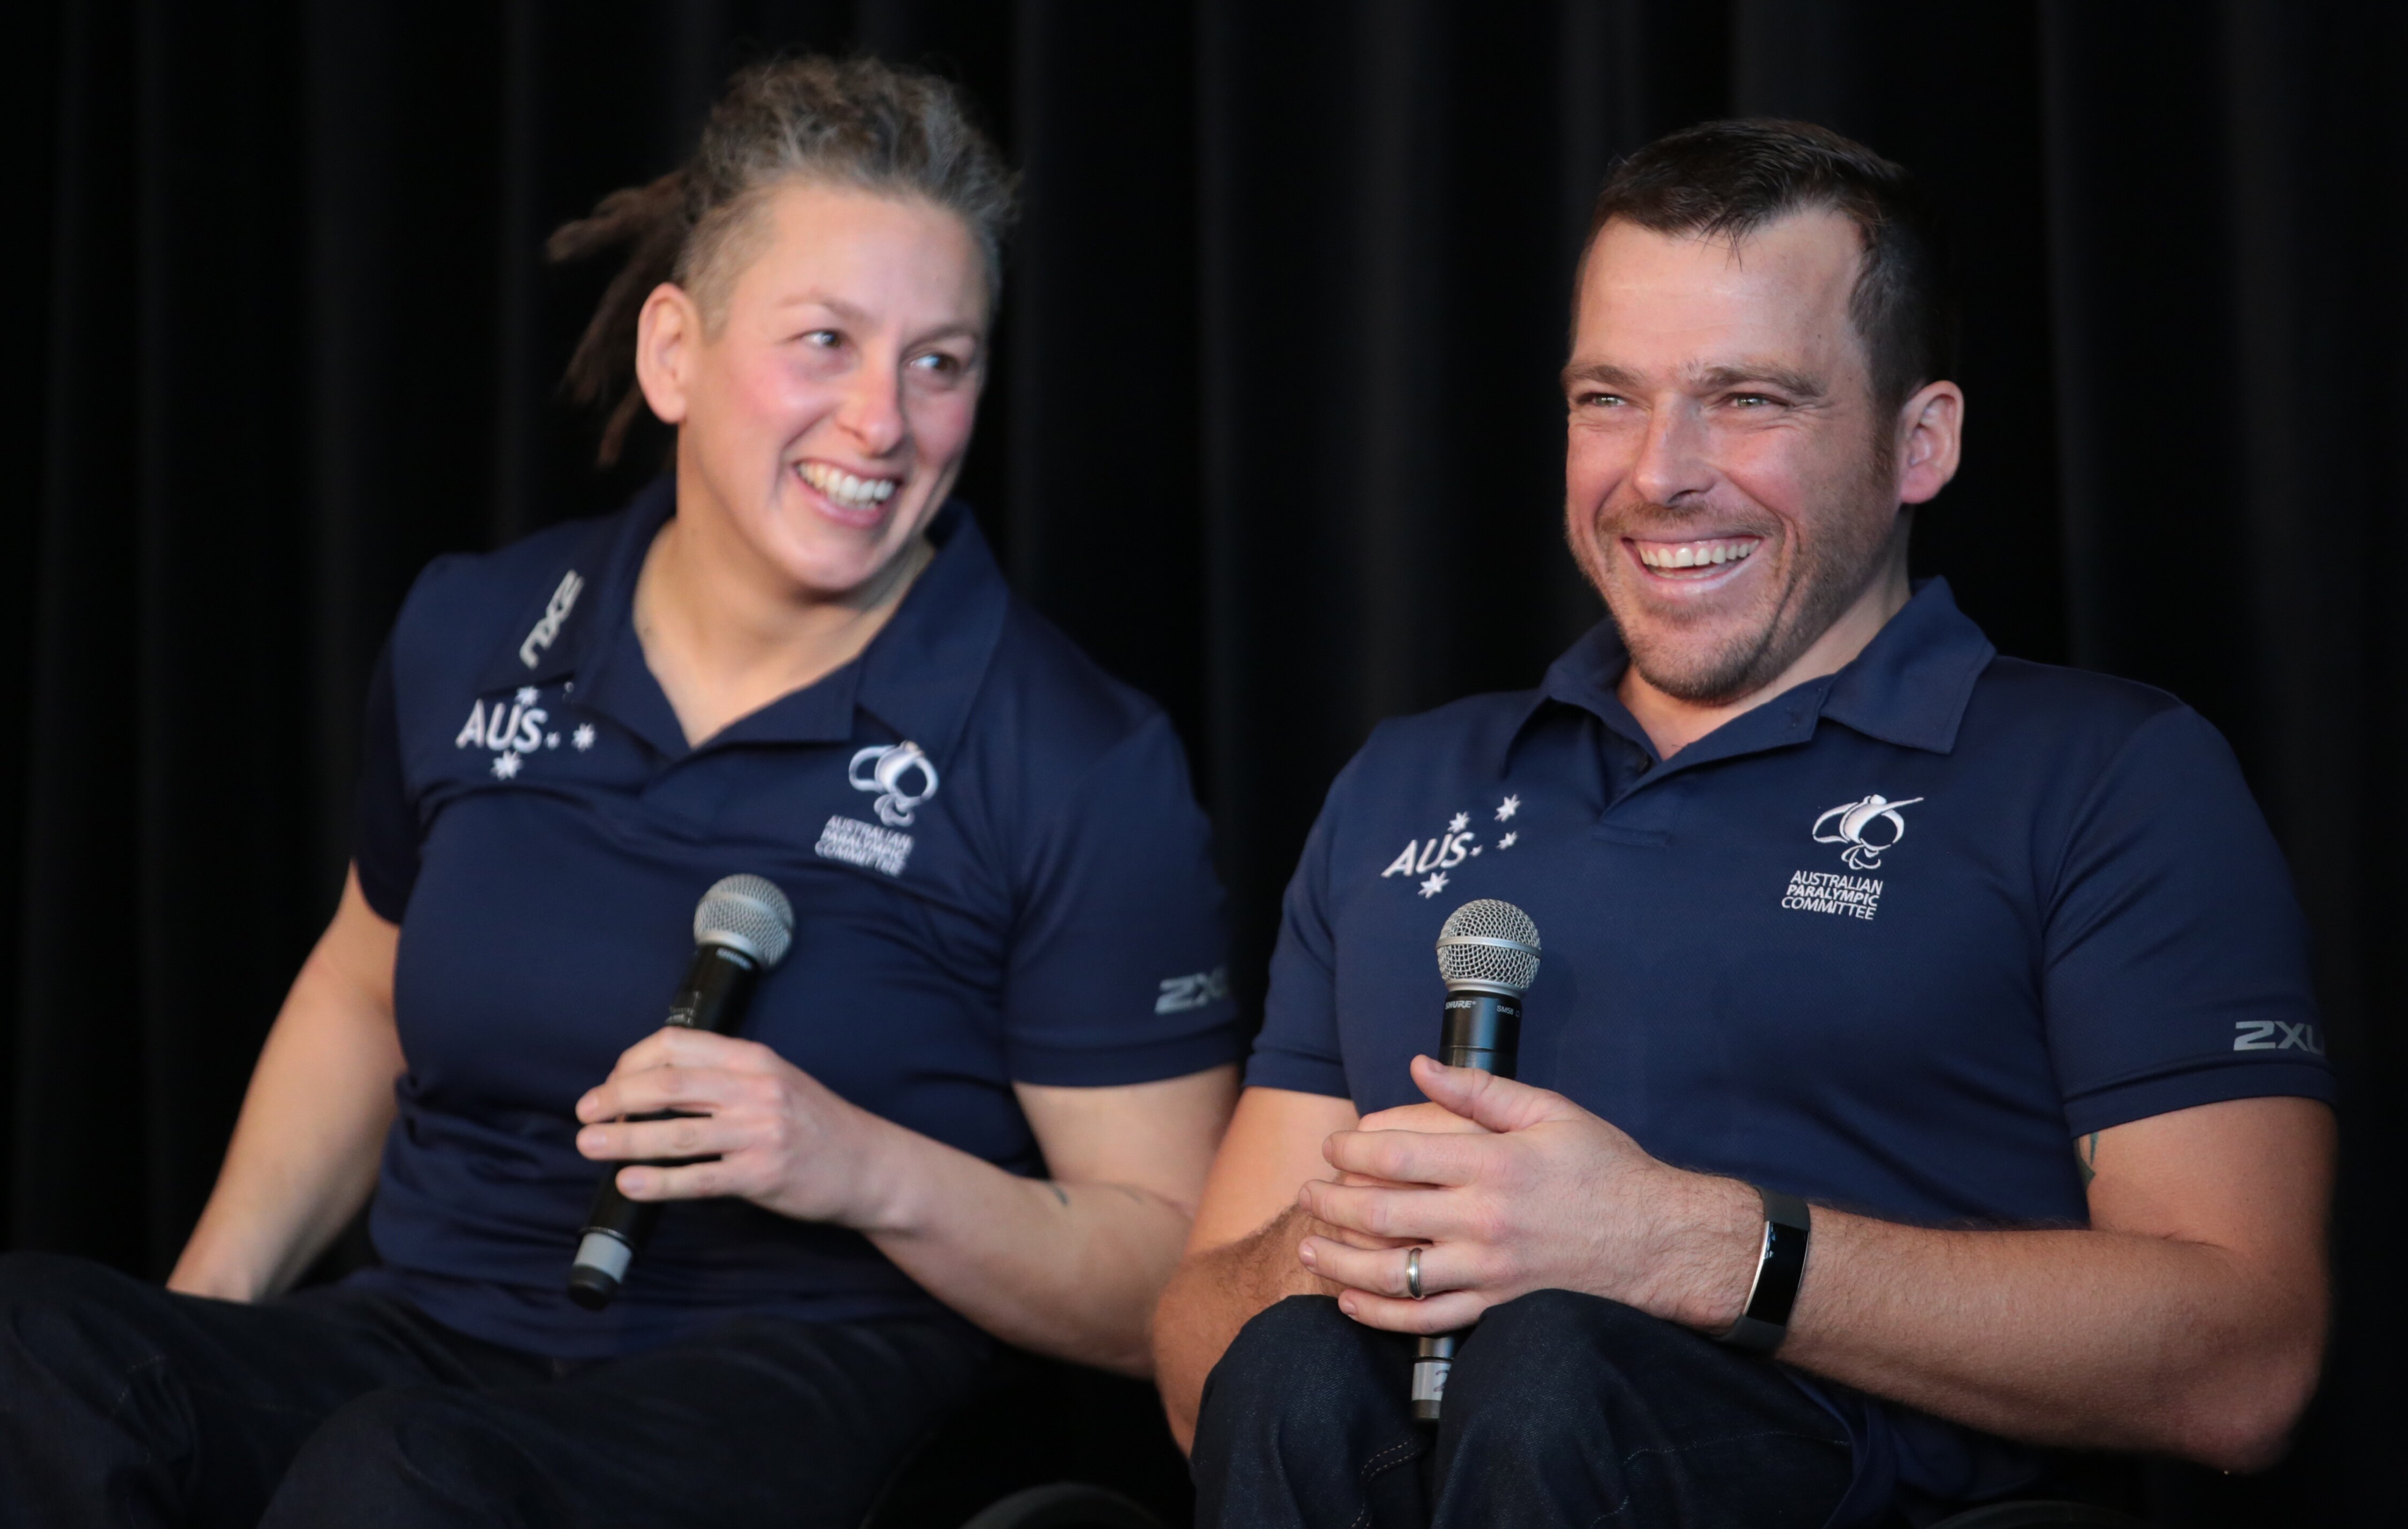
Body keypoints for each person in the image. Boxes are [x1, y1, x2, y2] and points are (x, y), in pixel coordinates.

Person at [0, 56, 1243, 1528]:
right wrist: (198, 1333)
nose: (880, 420)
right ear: (673, 350)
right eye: (824, 342)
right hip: (430, 1334)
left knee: (398, 1479)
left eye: (940, 360)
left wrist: (858, 1163)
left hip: (795, 1382)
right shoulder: (475, 625)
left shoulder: (1075, 755)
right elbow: (359, 982)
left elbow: (1172, 1273)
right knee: (38, 1354)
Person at [1154, 119, 2335, 1528]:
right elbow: (1194, 1361)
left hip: (1855, 1490)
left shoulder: (2106, 774)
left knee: (1550, 1370)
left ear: (1920, 440)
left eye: (1748, 399)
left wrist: (1692, 1245)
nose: (1659, 471)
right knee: (1292, 1365)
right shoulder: (1408, 783)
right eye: (1609, 398)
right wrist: (1349, 1236)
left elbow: (2244, 1363)